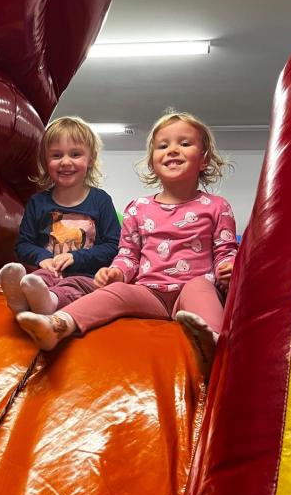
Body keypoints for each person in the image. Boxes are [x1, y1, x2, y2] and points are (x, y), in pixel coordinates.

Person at [16, 110, 238, 374]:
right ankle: (59, 324)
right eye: (163, 146)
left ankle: (214, 344)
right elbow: (128, 255)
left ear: (204, 159)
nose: (172, 150)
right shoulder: (138, 207)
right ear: (152, 161)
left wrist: (228, 267)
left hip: (190, 288)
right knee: (115, 292)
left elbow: (225, 250)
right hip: (149, 292)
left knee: (200, 287)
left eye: (185, 143)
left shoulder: (216, 206)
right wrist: (117, 272)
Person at [0, 116, 120, 316]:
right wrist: (43, 258)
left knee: (73, 286)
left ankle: (49, 302)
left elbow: (112, 246)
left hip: (86, 276)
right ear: (45, 161)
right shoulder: (38, 202)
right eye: (56, 155)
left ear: (90, 159)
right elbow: (24, 244)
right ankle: (20, 299)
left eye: (75, 154)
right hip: (48, 272)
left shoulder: (101, 201)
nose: (65, 162)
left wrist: (75, 257)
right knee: (37, 279)